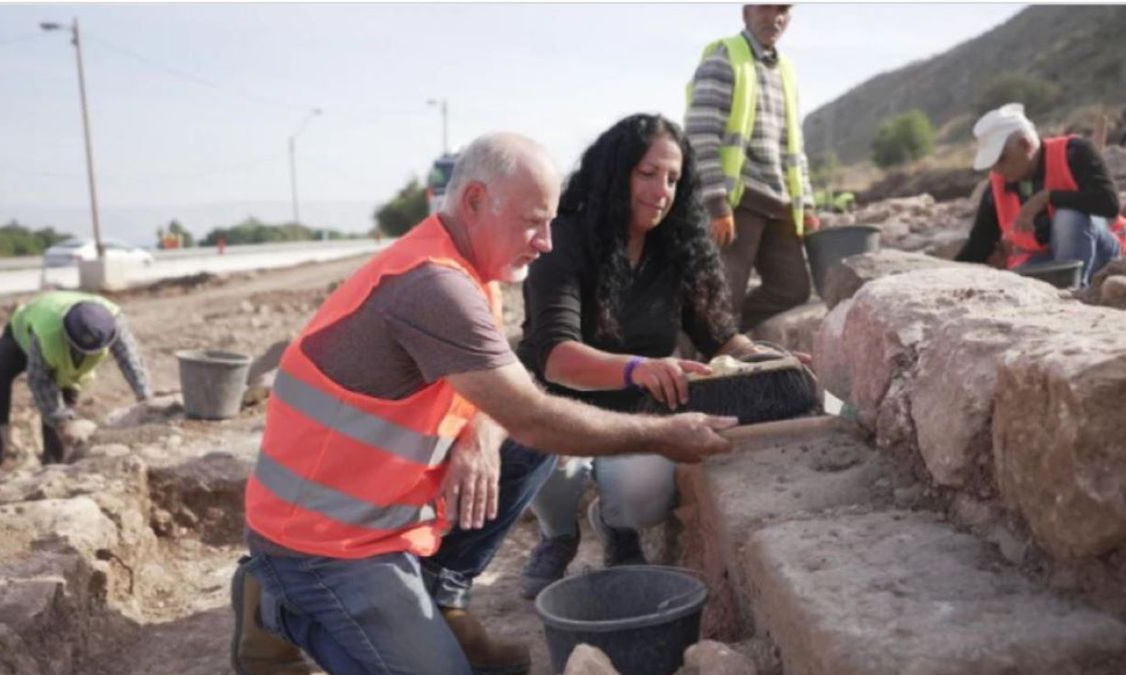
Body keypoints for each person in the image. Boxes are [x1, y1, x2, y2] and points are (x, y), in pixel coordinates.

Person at [230, 132, 737, 675]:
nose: (545, 241)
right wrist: (663, 433)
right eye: (533, 221)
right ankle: (277, 604)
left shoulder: (472, 273)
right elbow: (535, 415)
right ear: (474, 201)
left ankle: (436, 596)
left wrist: (478, 433)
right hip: (320, 543)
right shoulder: (433, 287)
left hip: (382, 520)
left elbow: (513, 399)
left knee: (520, 444)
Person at [511, 113, 780, 600]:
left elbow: (722, 337)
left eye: (674, 179)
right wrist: (639, 368)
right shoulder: (562, 238)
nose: (662, 190)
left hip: (639, 416)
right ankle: (558, 533)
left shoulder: (677, 248)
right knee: (537, 455)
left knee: (640, 489)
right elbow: (554, 356)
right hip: (558, 407)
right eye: (648, 173)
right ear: (616, 172)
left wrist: (768, 359)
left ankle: (616, 525)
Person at [685, 4, 818, 333]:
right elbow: (701, 134)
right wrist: (716, 203)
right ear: (746, 13)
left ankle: (728, 337)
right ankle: (700, 368)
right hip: (737, 202)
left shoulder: (785, 69)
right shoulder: (724, 57)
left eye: (783, 9)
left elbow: (794, 146)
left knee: (792, 289)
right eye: (765, 8)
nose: (775, 17)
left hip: (781, 203)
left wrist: (808, 204)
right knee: (721, 297)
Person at [0, 291, 152, 479]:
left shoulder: (114, 322)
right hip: (22, 332)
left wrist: (145, 398)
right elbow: (39, 380)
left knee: (63, 402)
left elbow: (130, 360)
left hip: (65, 360)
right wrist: (61, 421)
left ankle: (53, 465)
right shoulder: (48, 332)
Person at [956, 103, 1126, 287]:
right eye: (992, 164)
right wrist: (948, 273)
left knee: (1068, 217)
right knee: (1016, 283)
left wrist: (1046, 197)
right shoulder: (998, 184)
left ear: (1025, 144)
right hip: (1042, 259)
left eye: (1001, 160)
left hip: (1098, 250)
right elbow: (980, 243)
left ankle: (1073, 290)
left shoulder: (1075, 152)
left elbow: (1109, 204)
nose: (997, 170)